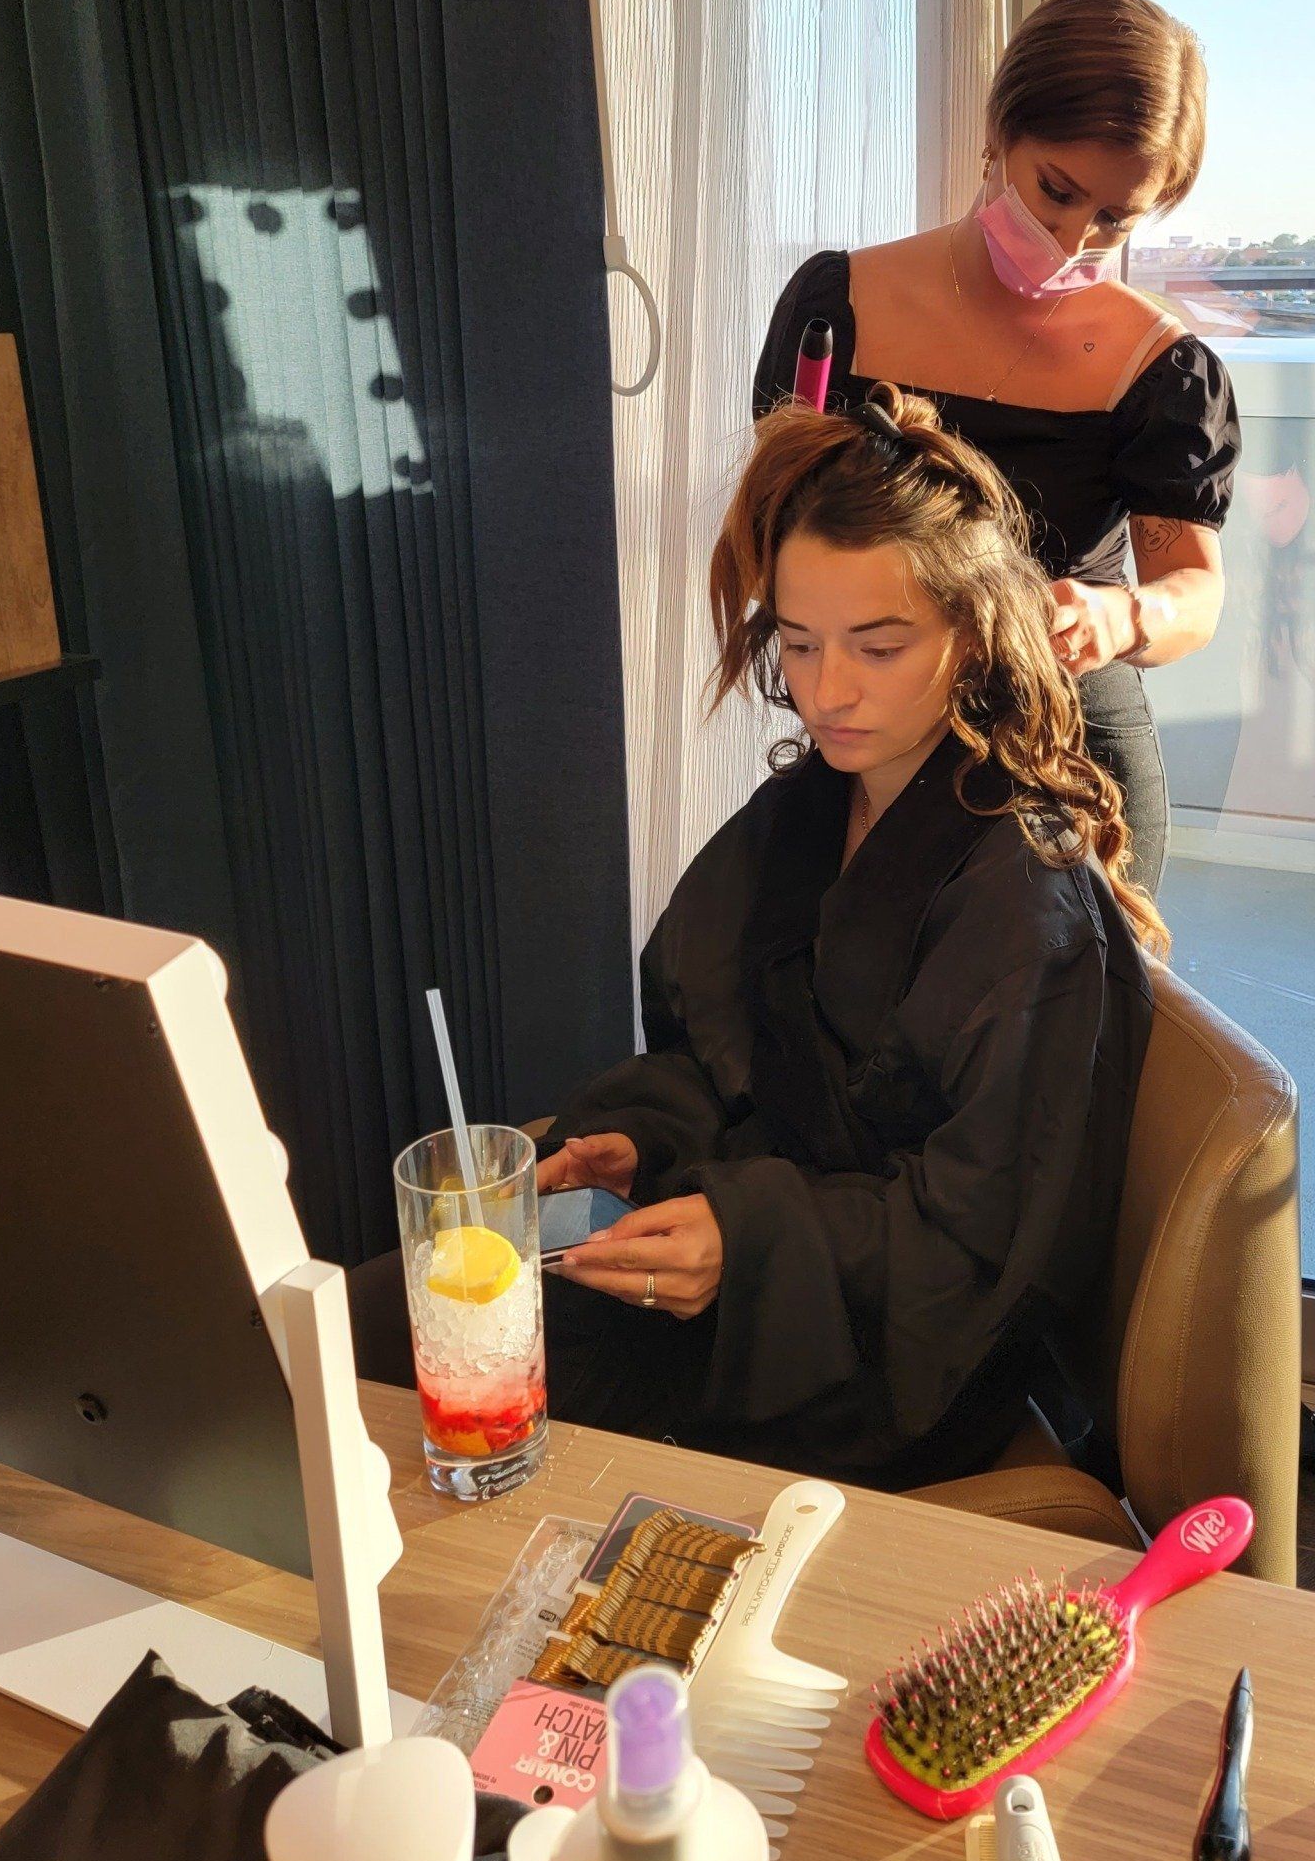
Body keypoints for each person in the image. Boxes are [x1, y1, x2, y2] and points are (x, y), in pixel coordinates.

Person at [350, 388, 1155, 1489]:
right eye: (800, 640)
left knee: (435, 1376)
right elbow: (716, 1051)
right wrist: (642, 1138)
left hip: (881, 1352)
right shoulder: (811, 811)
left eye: (879, 646)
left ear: (971, 634)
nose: (827, 693)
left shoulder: (1024, 898)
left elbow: (984, 1243)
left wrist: (750, 1240)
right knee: (377, 1315)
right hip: (754, 1262)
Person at [754, 0, 1240, 894]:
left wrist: (1123, 615)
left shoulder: (1159, 370)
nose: (1071, 237)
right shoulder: (841, 307)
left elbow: (1197, 593)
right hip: (878, 748)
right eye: (1056, 189)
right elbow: (772, 540)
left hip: (1071, 762)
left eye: (1114, 218)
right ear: (998, 128)